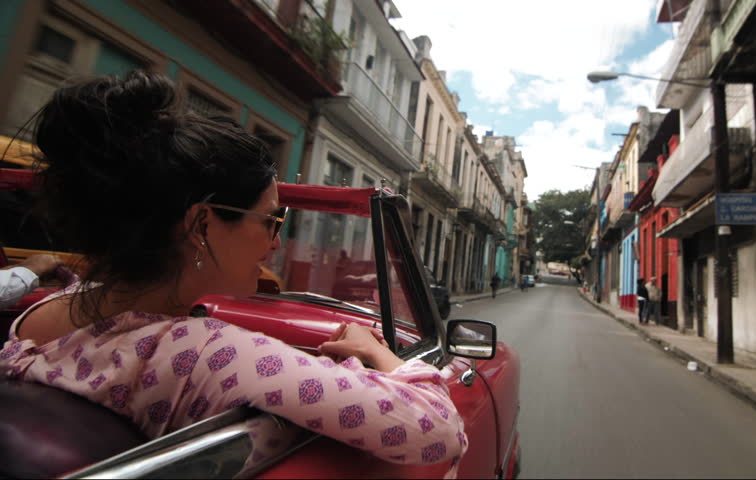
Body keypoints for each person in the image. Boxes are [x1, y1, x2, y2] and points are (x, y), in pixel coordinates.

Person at [0, 71, 466, 472]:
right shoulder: (209, 354)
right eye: (270, 220)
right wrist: (376, 352)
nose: (276, 240)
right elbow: (440, 429)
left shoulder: (41, 311)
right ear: (202, 224)